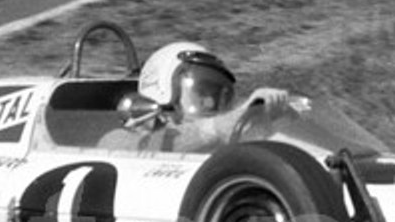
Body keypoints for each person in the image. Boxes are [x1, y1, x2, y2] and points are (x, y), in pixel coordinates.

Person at [100, 41, 292, 153]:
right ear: (163, 92)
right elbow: (158, 149)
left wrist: (265, 125)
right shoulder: (117, 142)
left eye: (218, 96)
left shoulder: (216, 144)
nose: (210, 102)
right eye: (201, 93)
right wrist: (220, 126)